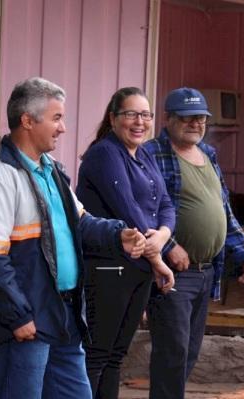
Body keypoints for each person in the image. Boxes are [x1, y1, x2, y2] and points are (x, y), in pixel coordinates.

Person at [0, 77, 147, 399]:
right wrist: (18, 316)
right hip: (29, 318)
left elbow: (82, 223)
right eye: (57, 118)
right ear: (27, 120)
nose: (63, 128)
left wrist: (119, 236)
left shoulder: (52, 171)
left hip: (64, 312)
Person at [144, 87, 244, 399]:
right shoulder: (151, 154)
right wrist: (168, 247)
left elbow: (224, 210)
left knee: (189, 351)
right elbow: (141, 211)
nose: (196, 123)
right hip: (171, 271)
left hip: (207, 271)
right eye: (187, 117)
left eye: (201, 118)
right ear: (168, 119)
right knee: (173, 352)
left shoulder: (208, 154)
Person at [75, 87, 175, 398]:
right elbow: (127, 209)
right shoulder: (105, 153)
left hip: (139, 265)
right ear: (113, 118)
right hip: (108, 268)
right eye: (131, 114)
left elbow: (167, 204)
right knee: (97, 354)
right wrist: (158, 258)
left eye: (145, 115)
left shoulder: (143, 153)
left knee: (117, 355)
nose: (139, 122)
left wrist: (162, 236)